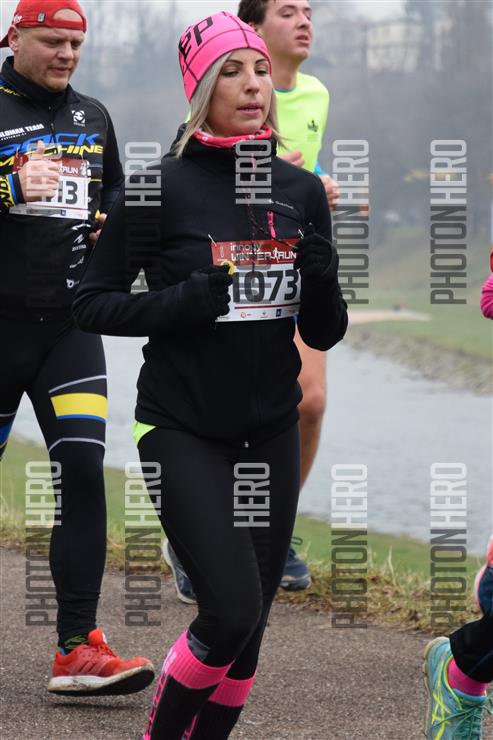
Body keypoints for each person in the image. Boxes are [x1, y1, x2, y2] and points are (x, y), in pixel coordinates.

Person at [73, 11, 347, 738]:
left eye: (259, 70)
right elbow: (91, 303)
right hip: (181, 427)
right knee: (227, 611)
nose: (253, 84)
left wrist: (322, 278)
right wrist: (185, 303)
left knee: (249, 629)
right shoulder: (157, 188)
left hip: (270, 430)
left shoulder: (299, 191)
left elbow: (325, 332)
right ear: (199, 91)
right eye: (231, 72)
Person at [0, 0, 154, 695]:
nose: (66, 54)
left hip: (69, 329)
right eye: (52, 41)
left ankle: (77, 648)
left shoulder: (93, 116)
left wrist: (112, 223)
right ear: (15, 37)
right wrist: (8, 185)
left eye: (75, 44)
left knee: (84, 471)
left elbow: (114, 189)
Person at [163, 0, 340, 601]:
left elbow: (304, 164)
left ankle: (273, 526)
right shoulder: (220, 83)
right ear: (254, 27)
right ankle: (200, 533)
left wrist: (317, 186)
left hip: (290, 262)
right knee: (236, 404)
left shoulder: (315, 93)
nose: (305, 21)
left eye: (308, 11)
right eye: (288, 11)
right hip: (231, 272)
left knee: (309, 403)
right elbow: (191, 165)